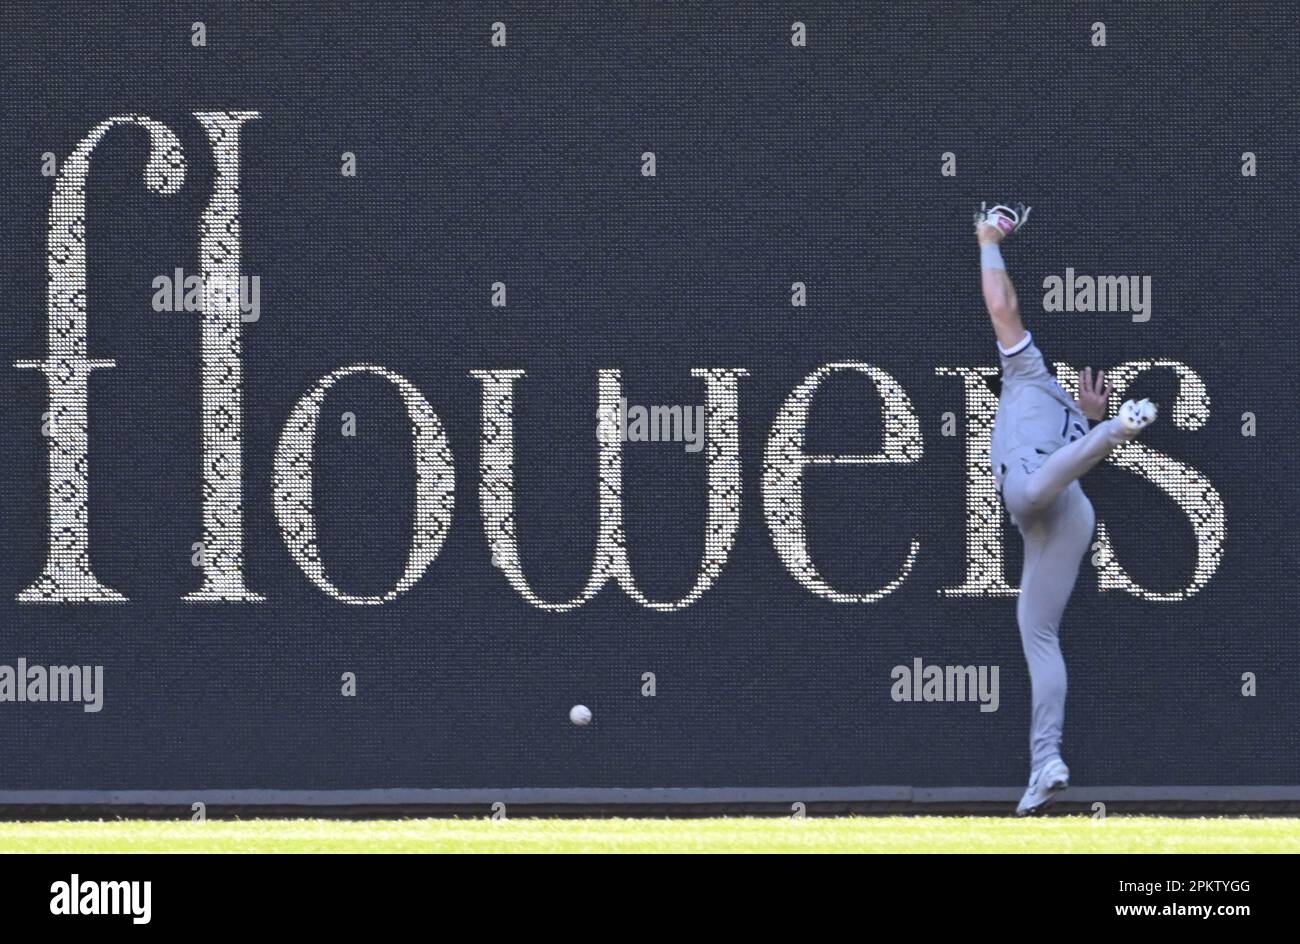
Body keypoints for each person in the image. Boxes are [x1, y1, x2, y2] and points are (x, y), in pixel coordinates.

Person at [974, 203, 1157, 815]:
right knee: (1039, 634)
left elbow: (1003, 307)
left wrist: (987, 241)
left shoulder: (1025, 370)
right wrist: (1093, 420)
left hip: (1041, 494)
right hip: (1069, 515)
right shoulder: (1068, 408)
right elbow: (1007, 312)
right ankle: (1045, 763)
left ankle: (1118, 434)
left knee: (1030, 492)